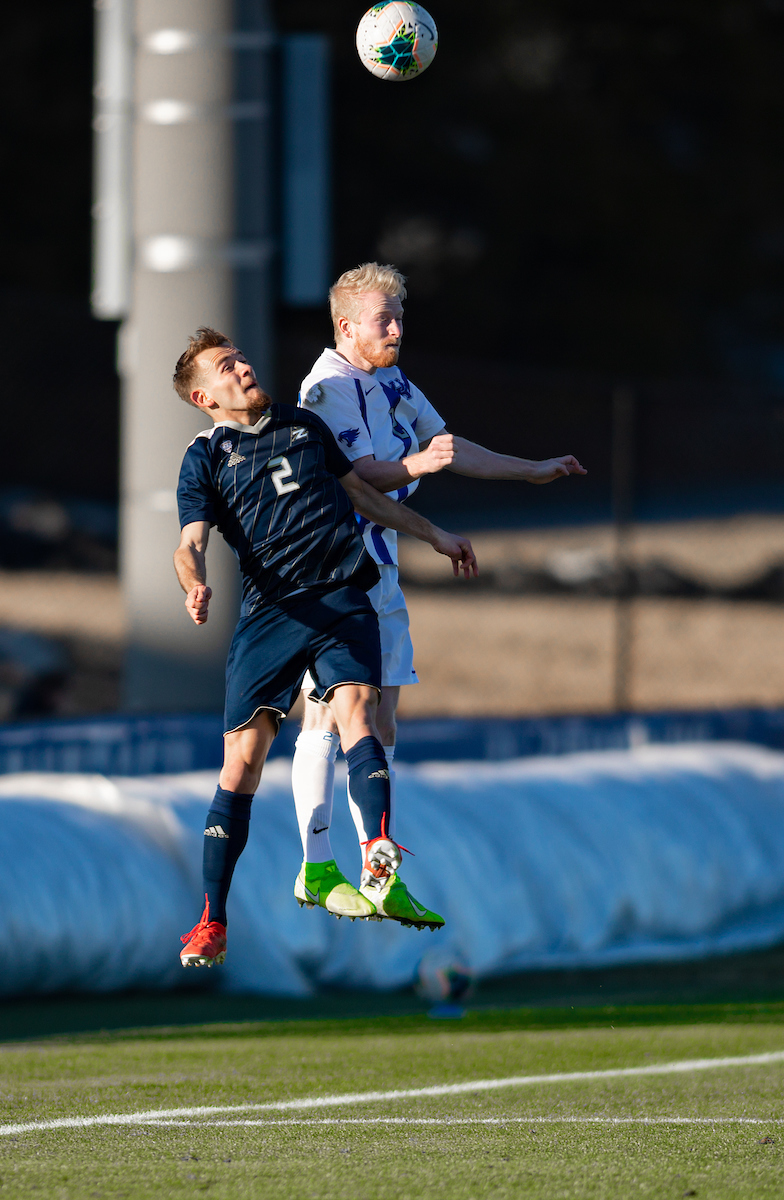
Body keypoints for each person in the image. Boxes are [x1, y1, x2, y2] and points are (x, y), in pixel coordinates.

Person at [292, 262, 587, 928]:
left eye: (399, 318)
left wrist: (530, 471)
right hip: (330, 567)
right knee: (333, 716)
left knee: (383, 720)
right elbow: (359, 475)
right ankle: (317, 863)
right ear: (346, 326)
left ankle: (380, 872)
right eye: (382, 320)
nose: (395, 329)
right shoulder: (327, 388)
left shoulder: (389, 377)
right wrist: (418, 471)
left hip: (383, 560)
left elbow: (445, 445)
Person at [173, 326, 477, 967]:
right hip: (272, 614)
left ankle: (378, 852)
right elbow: (190, 542)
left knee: (360, 712)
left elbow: (364, 495)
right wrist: (195, 582)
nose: (244, 367)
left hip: (342, 598)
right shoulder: (205, 457)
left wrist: (435, 534)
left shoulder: (305, 425)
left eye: (242, 356)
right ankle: (211, 919)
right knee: (243, 766)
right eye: (227, 366)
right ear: (205, 396)